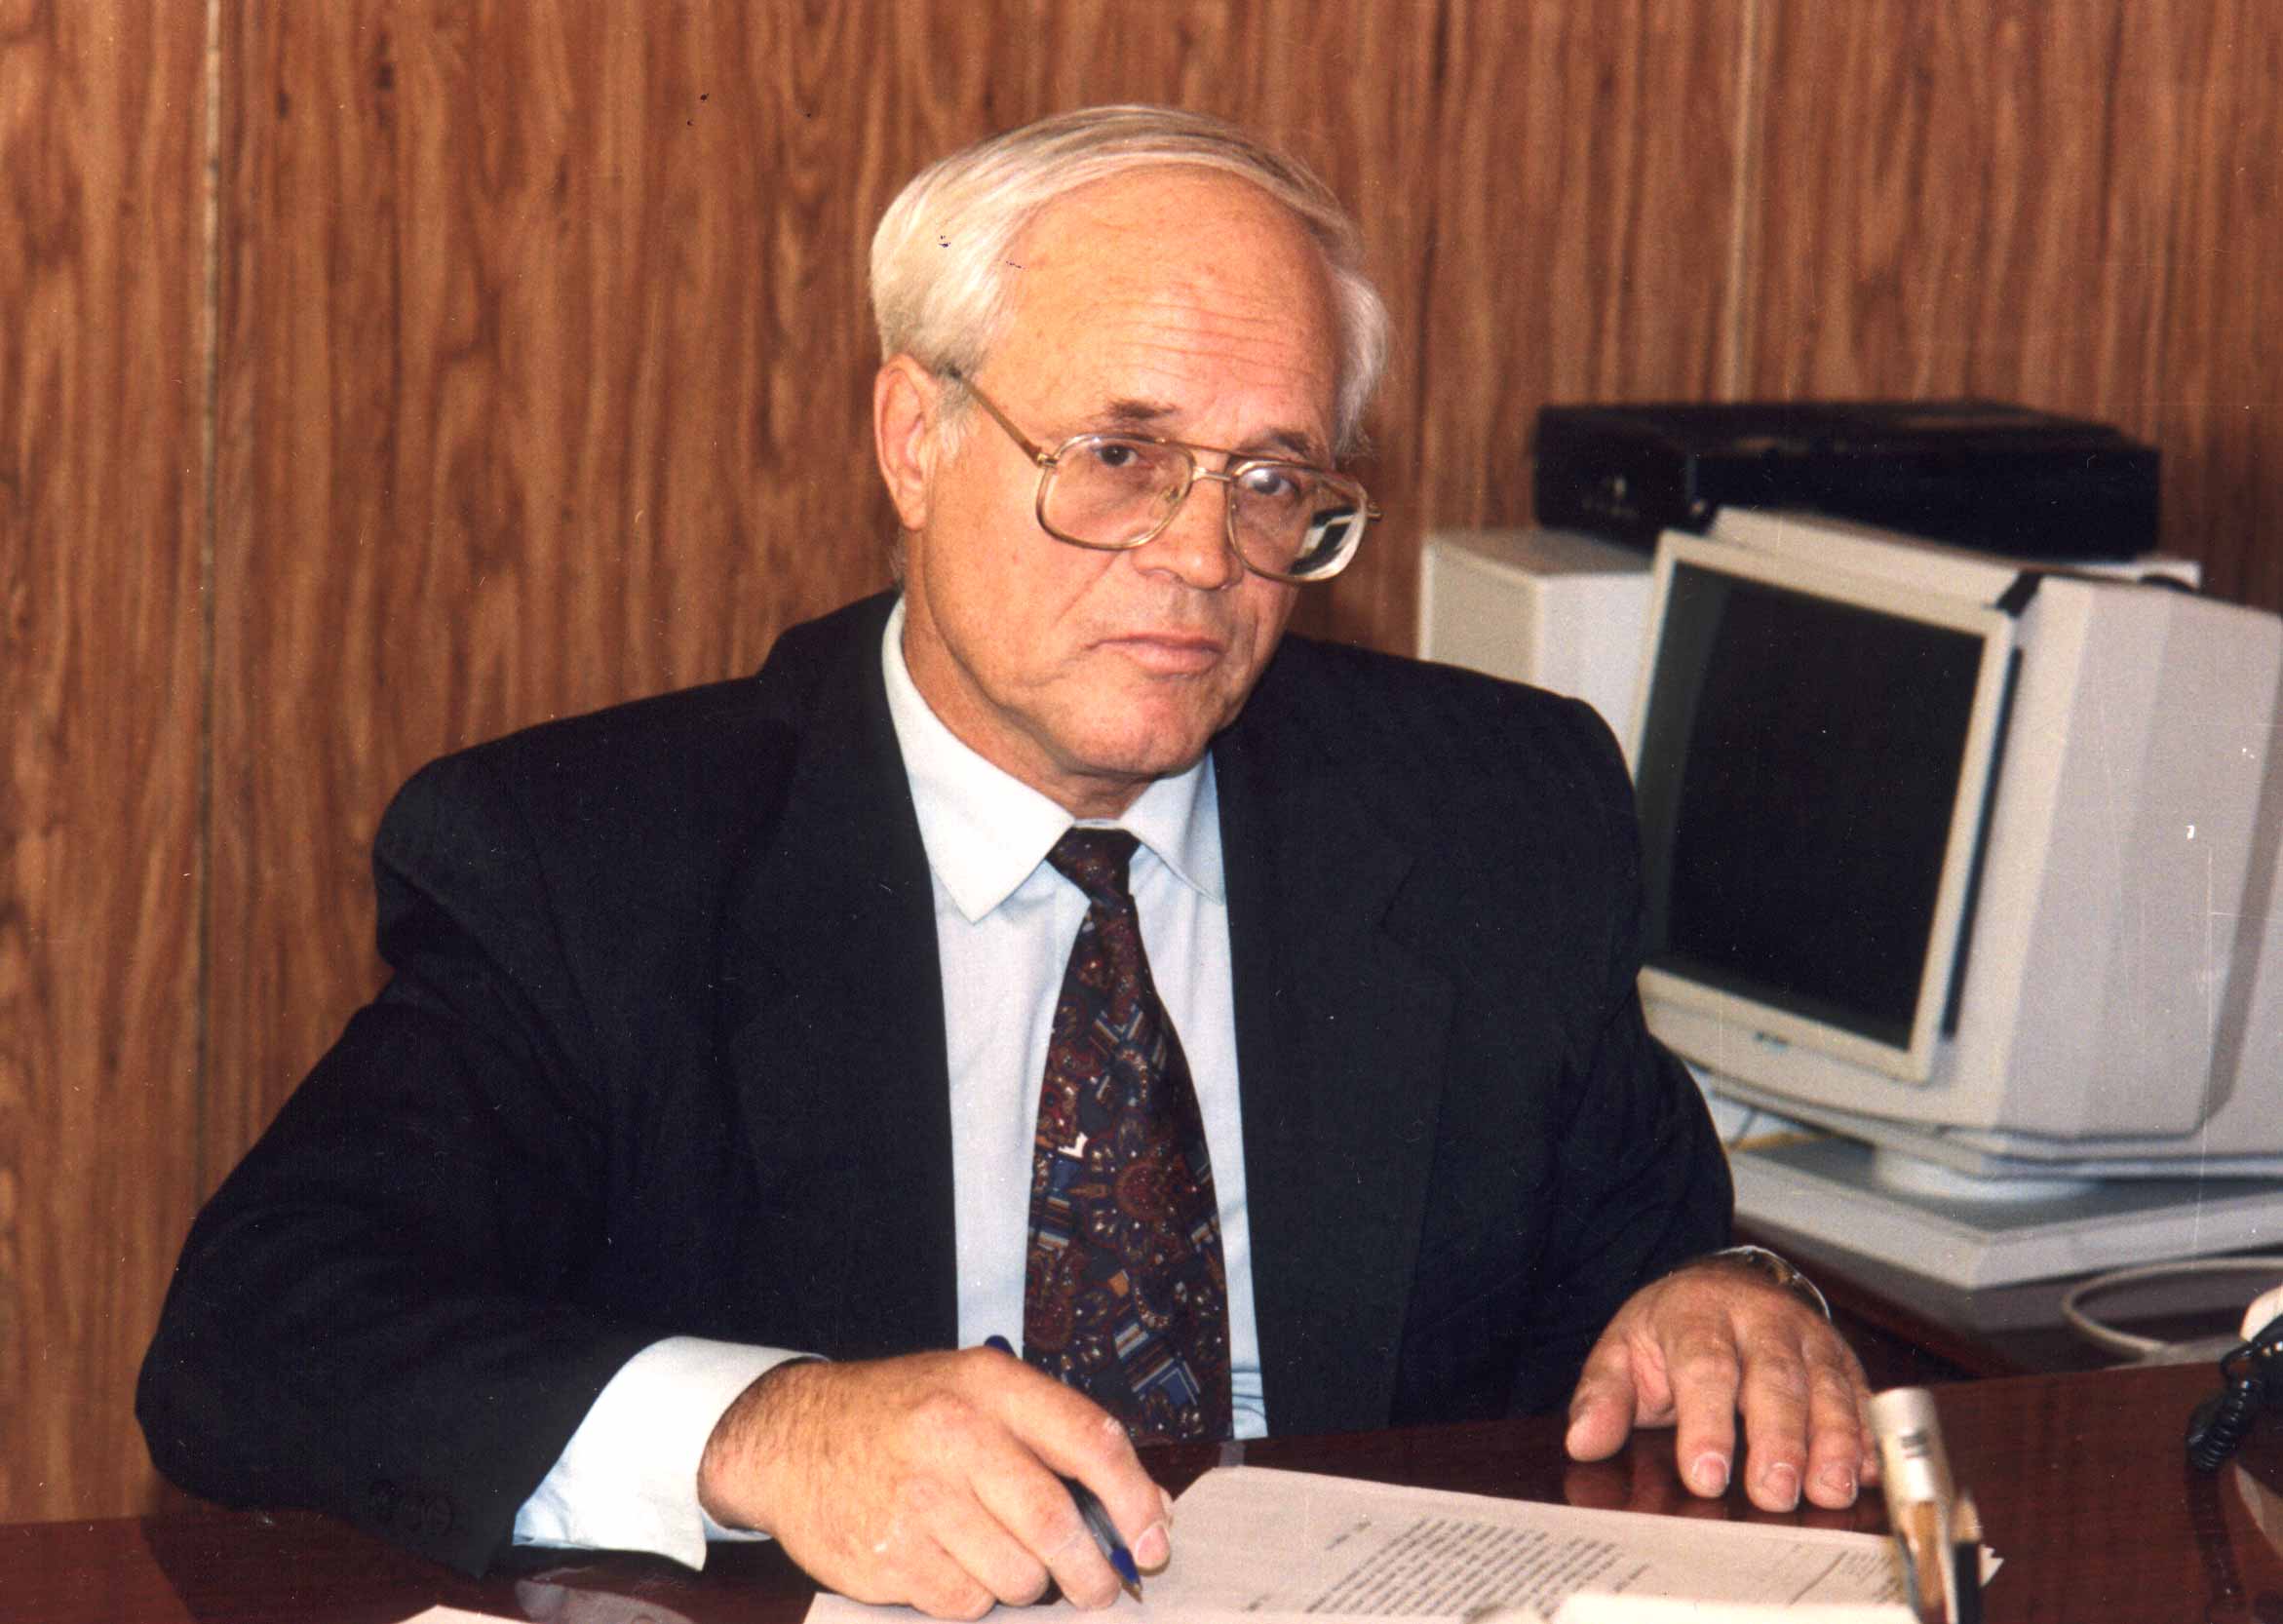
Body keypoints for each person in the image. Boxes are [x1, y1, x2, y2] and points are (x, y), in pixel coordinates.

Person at [138, 104, 1872, 1619]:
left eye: (1271, 480)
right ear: (915, 437)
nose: (1201, 555)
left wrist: (1723, 1298)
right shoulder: (594, 858)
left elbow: (1648, 1245)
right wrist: (762, 1426)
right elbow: (256, 1330)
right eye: (1119, 456)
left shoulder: (1495, 810)